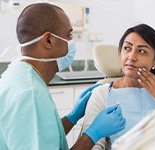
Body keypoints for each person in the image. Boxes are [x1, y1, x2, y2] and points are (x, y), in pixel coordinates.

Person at [0, 3, 125, 150]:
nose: (72, 42)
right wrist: (92, 135)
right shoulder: (30, 95)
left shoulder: (19, 73)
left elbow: (44, 137)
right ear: (48, 40)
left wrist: (72, 117)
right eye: (69, 35)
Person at [81, 23, 155, 149]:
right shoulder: (102, 94)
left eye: (142, 51)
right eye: (127, 48)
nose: (131, 57)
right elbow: (93, 146)